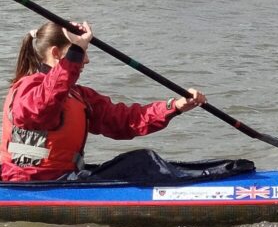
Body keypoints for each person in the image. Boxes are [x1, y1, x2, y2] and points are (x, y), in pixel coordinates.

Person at [1, 21, 206, 182]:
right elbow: (39, 110)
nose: (86, 60)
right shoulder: (27, 88)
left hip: (62, 178)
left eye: (84, 52)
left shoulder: (78, 95)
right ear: (56, 54)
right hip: (29, 181)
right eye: (82, 52)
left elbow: (124, 121)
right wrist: (75, 54)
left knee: (142, 161)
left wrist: (174, 107)